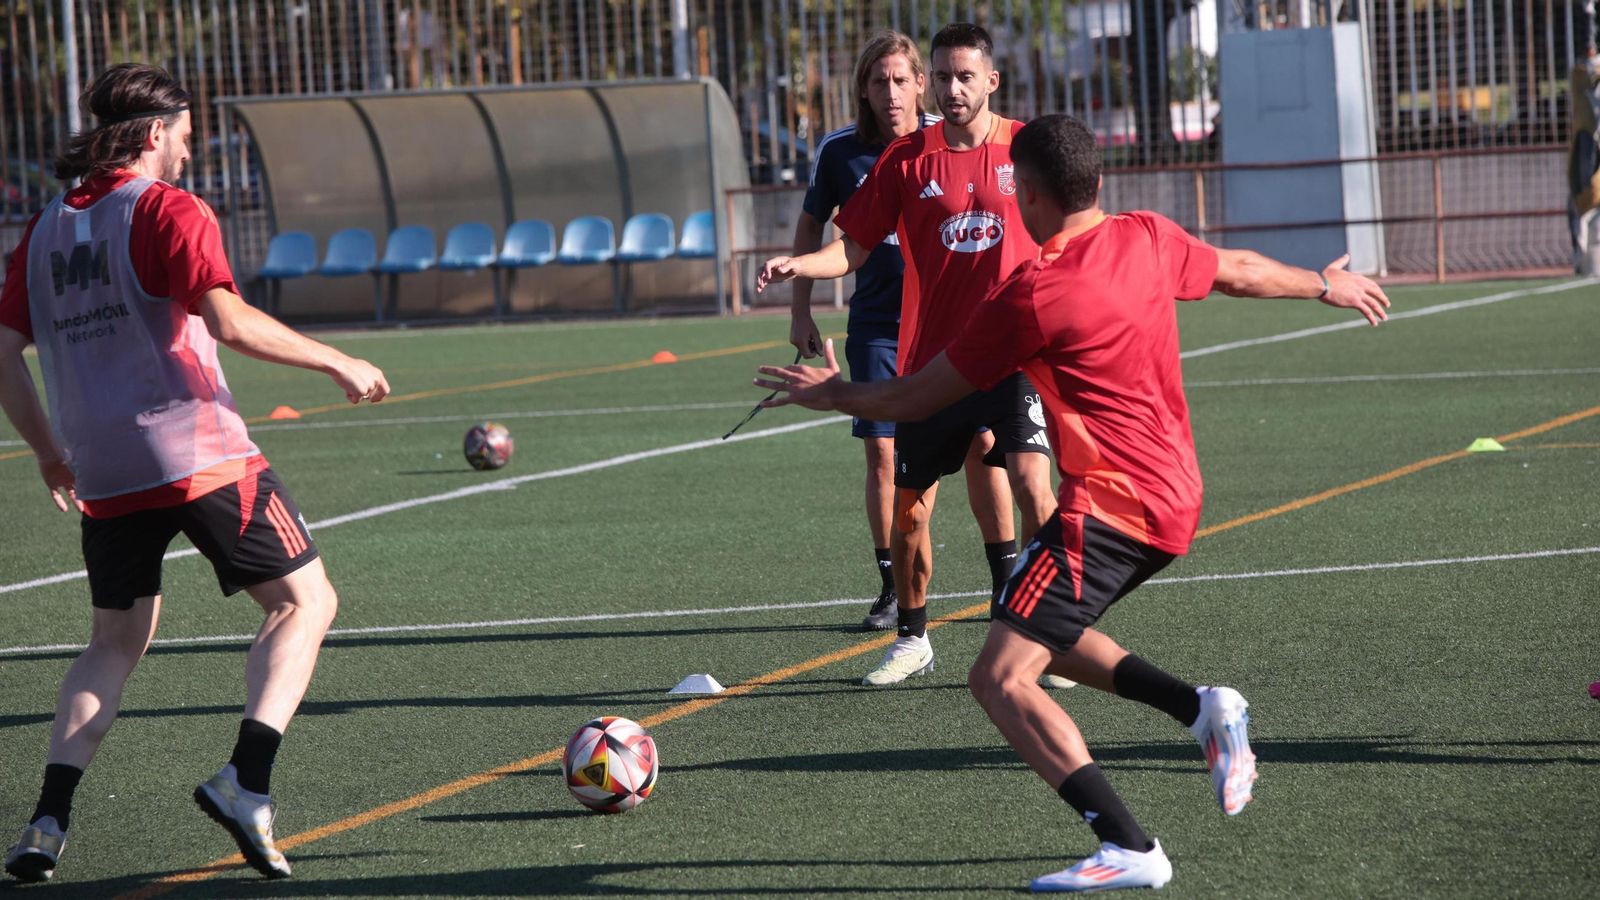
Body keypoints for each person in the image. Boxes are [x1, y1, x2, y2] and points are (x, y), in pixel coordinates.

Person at [754, 114, 1390, 892]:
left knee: (999, 678)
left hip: (1117, 509)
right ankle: (1203, 708)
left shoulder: (1035, 293)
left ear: (1028, 189)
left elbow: (919, 397)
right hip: (1173, 492)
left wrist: (835, 394)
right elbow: (1241, 268)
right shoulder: (1147, 236)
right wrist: (1327, 283)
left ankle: (1129, 846)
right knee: (1037, 631)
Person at [0, 63, 389, 883]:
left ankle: (46, 819)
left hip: (103, 472)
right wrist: (336, 360)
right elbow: (229, 320)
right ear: (152, 134)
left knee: (111, 643)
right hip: (196, 453)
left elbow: (4, 356)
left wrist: (46, 450)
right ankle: (247, 781)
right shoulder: (168, 209)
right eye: (183, 134)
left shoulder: (39, 234)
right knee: (305, 601)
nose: (187, 150)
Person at [759, 23, 1056, 687]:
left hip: (1010, 358)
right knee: (912, 508)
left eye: (963, 77)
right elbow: (854, 247)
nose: (952, 89)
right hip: (934, 367)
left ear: (990, 82)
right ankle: (913, 636)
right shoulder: (906, 160)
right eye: (944, 76)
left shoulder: (1026, 149)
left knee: (1036, 486)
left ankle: (1048, 632)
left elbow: (1068, 231)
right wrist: (798, 267)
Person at [788, 30, 1015, 632]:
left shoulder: (982, 145)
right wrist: (799, 300)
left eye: (901, 79)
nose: (890, 93)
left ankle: (1016, 589)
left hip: (962, 330)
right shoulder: (847, 154)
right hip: (883, 328)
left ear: (922, 83)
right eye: (876, 82)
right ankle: (897, 592)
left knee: (989, 452)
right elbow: (830, 238)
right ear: (863, 89)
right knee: (885, 457)